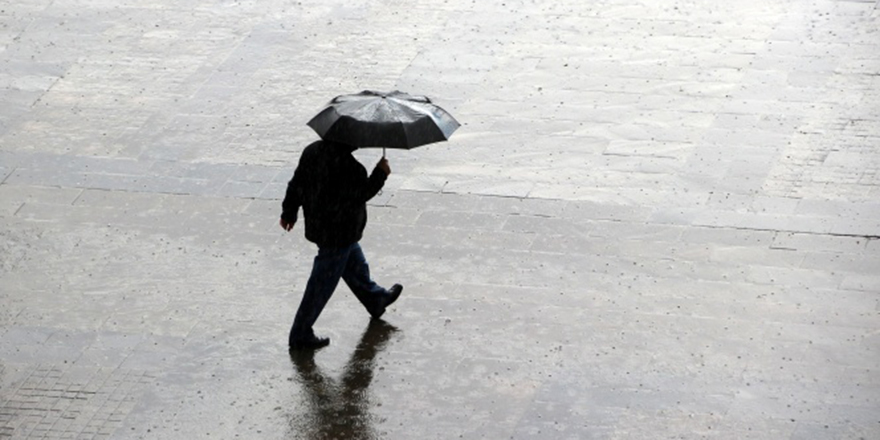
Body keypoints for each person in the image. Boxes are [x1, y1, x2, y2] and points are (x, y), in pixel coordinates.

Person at [280, 140, 402, 350]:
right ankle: (300, 333)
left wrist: (289, 212)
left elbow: (297, 184)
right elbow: (362, 194)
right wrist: (381, 173)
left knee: (354, 263)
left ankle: (376, 299)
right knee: (321, 284)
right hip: (339, 232)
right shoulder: (351, 169)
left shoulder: (312, 151)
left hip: (321, 226)